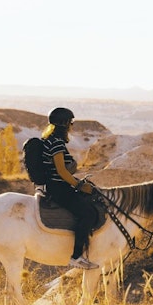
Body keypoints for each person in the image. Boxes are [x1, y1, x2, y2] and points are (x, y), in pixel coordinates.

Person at [41, 107, 99, 270]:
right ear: (64, 124)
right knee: (88, 213)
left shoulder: (50, 139)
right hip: (58, 189)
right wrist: (79, 185)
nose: (71, 126)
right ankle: (76, 257)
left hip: (58, 186)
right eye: (70, 123)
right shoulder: (56, 143)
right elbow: (61, 171)